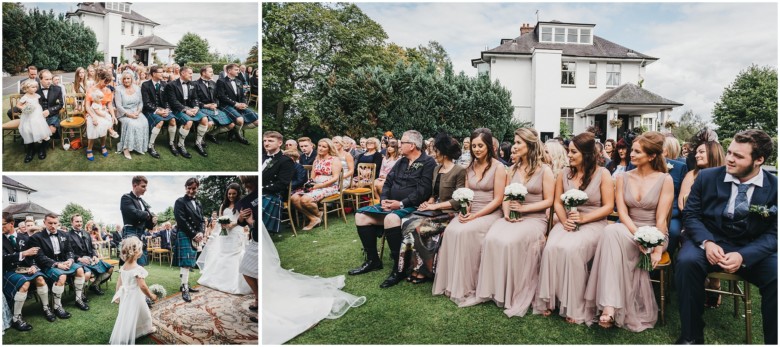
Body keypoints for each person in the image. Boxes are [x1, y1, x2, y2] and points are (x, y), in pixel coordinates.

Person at [675, 130, 777, 345]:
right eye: (729, 152)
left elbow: (775, 233)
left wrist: (743, 256)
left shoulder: (775, 187)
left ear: (759, 160)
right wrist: (707, 242)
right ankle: (691, 337)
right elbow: (691, 215)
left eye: (738, 156)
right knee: (686, 262)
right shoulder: (706, 177)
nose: (729, 158)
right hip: (710, 239)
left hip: (751, 245)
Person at [585, 131, 674, 331]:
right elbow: (622, 213)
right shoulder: (624, 177)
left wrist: (657, 247)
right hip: (629, 228)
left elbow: (661, 218)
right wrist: (638, 236)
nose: (631, 154)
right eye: (631, 150)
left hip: (655, 233)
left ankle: (611, 305)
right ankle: (609, 305)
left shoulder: (664, 179)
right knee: (610, 232)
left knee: (612, 234)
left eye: (637, 151)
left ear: (651, 156)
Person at [464, 128, 554, 317]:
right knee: (492, 238)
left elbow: (549, 201)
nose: (515, 146)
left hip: (535, 219)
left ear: (530, 145)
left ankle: (513, 292)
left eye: (518, 143)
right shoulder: (511, 169)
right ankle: (493, 289)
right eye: (514, 142)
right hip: (512, 216)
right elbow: (505, 196)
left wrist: (524, 209)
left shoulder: (544, 170)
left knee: (510, 241)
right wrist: (506, 213)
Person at [533, 132, 614, 324]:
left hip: (593, 222)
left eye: (573, 152)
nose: (568, 155)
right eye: (568, 151)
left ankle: (574, 304)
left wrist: (584, 218)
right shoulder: (564, 173)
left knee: (571, 250)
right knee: (552, 248)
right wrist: (564, 220)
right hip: (567, 221)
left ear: (586, 154)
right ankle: (551, 299)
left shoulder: (603, 174)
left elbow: (608, 207)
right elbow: (557, 202)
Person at [348, 130, 436, 289]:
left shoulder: (428, 162)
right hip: (390, 204)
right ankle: (373, 261)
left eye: (402, 142)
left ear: (412, 145)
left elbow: (423, 191)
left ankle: (399, 268)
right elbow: (388, 182)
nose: (398, 145)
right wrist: (383, 201)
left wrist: (400, 204)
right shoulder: (401, 161)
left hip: (412, 206)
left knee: (391, 218)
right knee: (361, 215)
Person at [433, 128, 507, 303]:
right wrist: (466, 212)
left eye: (480, 145)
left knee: (465, 232)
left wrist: (475, 216)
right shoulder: (469, 168)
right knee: (452, 230)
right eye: (474, 146)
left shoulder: (499, 168)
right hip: (471, 209)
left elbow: (498, 200)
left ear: (489, 146)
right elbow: (466, 194)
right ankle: (452, 283)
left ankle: (469, 285)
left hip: (490, 212)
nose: (477, 149)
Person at [398, 133, 465, 284]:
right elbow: (433, 194)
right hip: (434, 210)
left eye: (435, 151)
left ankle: (424, 270)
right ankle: (411, 267)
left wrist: (434, 205)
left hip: (450, 213)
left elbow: (458, 200)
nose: (433, 154)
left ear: (443, 152)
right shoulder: (436, 169)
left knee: (420, 228)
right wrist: (427, 203)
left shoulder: (459, 171)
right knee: (408, 222)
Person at [678, 139, 726, 304]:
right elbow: (682, 204)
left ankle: (715, 282)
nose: (696, 155)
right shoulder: (691, 175)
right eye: (696, 152)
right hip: (693, 224)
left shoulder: (727, 177)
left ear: (713, 154)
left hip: (721, 227)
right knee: (694, 247)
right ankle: (703, 282)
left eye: (701, 152)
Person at [29, 213, 90, 315]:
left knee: (80, 270)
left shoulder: (64, 234)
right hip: (48, 264)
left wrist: (70, 260)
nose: (53, 226)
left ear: (58, 223)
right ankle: (57, 307)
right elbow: (40, 257)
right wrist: (57, 264)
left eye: (55, 223)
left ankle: (78, 299)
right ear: (44, 223)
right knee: (62, 277)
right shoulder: (36, 237)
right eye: (50, 223)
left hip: (64, 262)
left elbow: (69, 250)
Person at [197, 183, 252, 294]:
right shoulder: (223, 205)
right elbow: (220, 218)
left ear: (238, 194)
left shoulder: (242, 204)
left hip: (236, 232)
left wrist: (233, 224)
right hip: (224, 234)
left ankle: (233, 283)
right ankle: (217, 280)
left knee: (234, 254)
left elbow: (244, 220)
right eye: (229, 194)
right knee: (222, 253)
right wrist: (222, 224)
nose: (231, 196)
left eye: (234, 194)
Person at [2, 212, 50, 331]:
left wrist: (34, 266)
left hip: (27, 269)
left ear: (12, 223)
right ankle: (16, 318)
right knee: (25, 283)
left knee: (40, 279)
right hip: (8, 270)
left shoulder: (25, 238)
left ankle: (46, 308)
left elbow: (34, 256)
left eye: (2, 224)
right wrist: (23, 253)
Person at [109, 236, 157, 345]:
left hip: (126, 296)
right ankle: (144, 329)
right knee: (143, 312)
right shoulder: (137, 269)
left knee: (128, 314)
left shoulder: (124, 266)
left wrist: (118, 295)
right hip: (136, 296)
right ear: (137, 252)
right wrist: (151, 295)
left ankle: (139, 330)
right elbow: (143, 286)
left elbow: (119, 282)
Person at [290, 138, 342, 231]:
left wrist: (320, 186)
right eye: (320, 146)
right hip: (315, 185)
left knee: (305, 200)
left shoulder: (335, 160)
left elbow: (335, 178)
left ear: (329, 148)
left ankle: (317, 216)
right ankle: (315, 217)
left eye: (324, 147)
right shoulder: (316, 160)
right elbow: (312, 177)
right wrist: (309, 184)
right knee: (294, 198)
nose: (321, 148)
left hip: (330, 186)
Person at [166, 66, 212, 158]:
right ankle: (180, 145)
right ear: (183, 73)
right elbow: (173, 101)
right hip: (177, 109)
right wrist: (186, 110)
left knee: (205, 119)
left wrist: (195, 107)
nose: (192, 75)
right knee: (189, 121)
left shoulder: (193, 84)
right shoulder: (171, 85)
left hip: (190, 108)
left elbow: (195, 98)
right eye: (190, 73)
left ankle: (198, 143)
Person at [173, 178, 205, 302]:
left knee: (190, 261)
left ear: (197, 188)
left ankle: (184, 284)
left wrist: (201, 232)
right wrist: (194, 234)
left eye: (194, 188)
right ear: (185, 187)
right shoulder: (180, 202)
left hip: (196, 234)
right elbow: (181, 220)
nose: (191, 191)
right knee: (186, 261)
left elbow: (202, 220)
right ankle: (185, 288)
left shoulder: (198, 203)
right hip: (185, 233)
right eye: (189, 188)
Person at [67, 215, 114, 298]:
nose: (79, 223)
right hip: (78, 260)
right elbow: (68, 251)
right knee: (87, 274)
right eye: (77, 221)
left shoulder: (86, 233)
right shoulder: (67, 235)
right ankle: (80, 293)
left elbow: (92, 248)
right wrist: (79, 258)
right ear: (72, 222)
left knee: (110, 268)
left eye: (80, 221)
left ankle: (94, 285)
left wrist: (95, 256)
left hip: (90, 258)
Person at [262, 131, 295, 233]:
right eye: (265, 141)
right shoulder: (260, 157)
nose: (266, 143)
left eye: (270, 141)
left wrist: (262, 188)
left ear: (280, 143)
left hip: (273, 194)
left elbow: (282, 183)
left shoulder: (285, 161)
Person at [216, 63, 257, 145]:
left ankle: (234, 130)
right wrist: (235, 104)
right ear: (229, 70)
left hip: (239, 105)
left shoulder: (239, 81)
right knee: (239, 120)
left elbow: (243, 96)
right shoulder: (221, 81)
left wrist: (244, 103)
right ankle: (238, 135)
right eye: (236, 70)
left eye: (238, 70)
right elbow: (221, 96)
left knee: (257, 121)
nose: (238, 71)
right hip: (225, 105)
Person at [120, 176, 156, 266]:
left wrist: (152, 221)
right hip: (131, 231)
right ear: (135, 185)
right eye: (143, 186)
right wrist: (148, 215)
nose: (145, 189)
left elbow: (147, 224)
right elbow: (134, 213)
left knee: (141, 262)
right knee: (130, 261)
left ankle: (140, 280)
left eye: (146, 187)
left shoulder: (142, 201)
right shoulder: (126, 198)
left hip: (141, 232)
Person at [141, 65, 175, 159]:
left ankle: (171, 143)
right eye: (160, 72)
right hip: (150, 110)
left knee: (173, 120)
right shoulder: (145, 85)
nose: (163, 74)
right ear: (154, 73)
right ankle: (150, 145)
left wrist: (167, 109)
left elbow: (167, 100)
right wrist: (157, 111)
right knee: (160, 122)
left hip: (163, 109)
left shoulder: (165, 84)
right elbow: (146, 103)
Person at [237, 175, 259, 321]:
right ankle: (258, 297)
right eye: (245, 184)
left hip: (262, 236)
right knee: (245, 269)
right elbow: (242, 224)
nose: (246, 186)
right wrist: (241, 218)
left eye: (249, 183)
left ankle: (263, 307)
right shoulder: (245, 200)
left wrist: (252, 222)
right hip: (255, 239)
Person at [663, 135, 689, 255]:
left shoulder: (680, 167)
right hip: (650, 209)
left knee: (673, 232)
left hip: (672, 213)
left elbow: (681, 194)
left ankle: (667, 260)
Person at [84, 69, 118, 161]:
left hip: (102, 111)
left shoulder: (108, 90)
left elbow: (109, 104)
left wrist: (113, 116)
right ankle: (89, 148)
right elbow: (87, 106)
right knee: (92, 124)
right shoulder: (91, 89)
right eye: (104, 82)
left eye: (107, 83)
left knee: (105, 123)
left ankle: (103, 145)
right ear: (99, 78)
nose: (105, 85)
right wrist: (93, 116)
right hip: (92, 111)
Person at [195, 65, 234, 145]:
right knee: (209, 123)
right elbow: (193, 100)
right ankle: (200, 138)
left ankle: (211, 134)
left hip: (213, 108)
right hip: (202, 108)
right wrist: (206, 106)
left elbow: (217, 97)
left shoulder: (213, 83)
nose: (212, 73)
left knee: (231, 124)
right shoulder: (195, 84)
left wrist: (216, 104)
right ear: (203, 73)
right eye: (210, 72)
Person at [115, 71, 149, 160]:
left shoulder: (137, 88)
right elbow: (118, 105)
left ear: (132, 79)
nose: (126, 80)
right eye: (124, 79)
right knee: (131, 124)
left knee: (144, 122)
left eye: (128, 78)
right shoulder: (118, 89)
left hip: (136, 111)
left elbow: (141, 102)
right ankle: (126, 148)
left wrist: (138, 111)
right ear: (122, 80)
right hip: (123, 113)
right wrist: (129, 114)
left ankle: (138, 146)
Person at [17, 79, 52, 163]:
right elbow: (18, 105)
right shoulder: (25, 97)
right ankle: (30, 151)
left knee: (41, 131)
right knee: (28, 131)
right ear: (27, 88)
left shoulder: (37, 95)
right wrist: (24, 108)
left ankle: (41, 149)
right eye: (33, 87)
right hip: (29, 117)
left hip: (38, 116)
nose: (35, 88)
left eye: (36, 87)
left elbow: (38, 104)